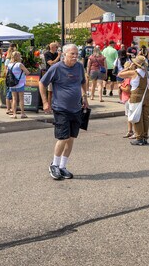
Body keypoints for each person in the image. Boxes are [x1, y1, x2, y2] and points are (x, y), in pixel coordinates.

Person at [39, 44, 88, 180]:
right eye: (72, 54)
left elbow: (83, 82)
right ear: (64, 54)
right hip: (61, 108)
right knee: (63, 137)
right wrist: (45, 102)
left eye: (76, 54)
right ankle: (54, 165)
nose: (75, 56)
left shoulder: (79, 67)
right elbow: (42, 83)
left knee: (71, 138)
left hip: (76, 108)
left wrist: (85, 97)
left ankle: (63, 166)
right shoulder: (56, 68)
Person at [118, 55, 149, 146]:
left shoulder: (134, 72)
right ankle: (145, 137)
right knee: (145, 118)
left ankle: (139, 138)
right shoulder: (147, 73)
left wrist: (128, 68)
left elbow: (120, 74)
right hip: (146, 97)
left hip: (136, 97)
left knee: (137, 117)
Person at [7, 51, 30, 119]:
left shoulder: (9, 64)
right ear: (18, 57)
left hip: (12, 84)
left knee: (14, 99)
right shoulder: (19, 64)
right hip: (20, 83)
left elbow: (7, 73)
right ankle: (22, 113)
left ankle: (14, 114)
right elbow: (27, 72)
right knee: (21, 99)